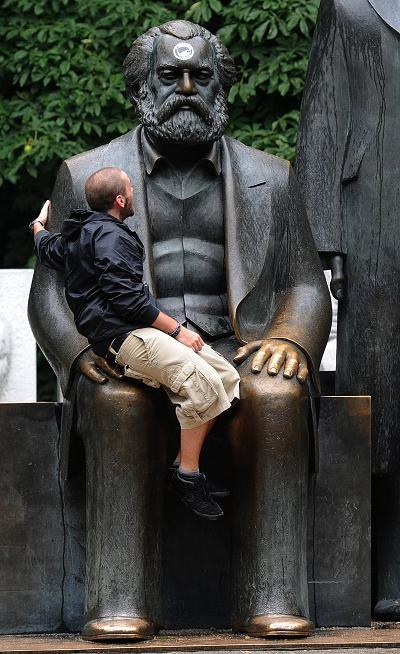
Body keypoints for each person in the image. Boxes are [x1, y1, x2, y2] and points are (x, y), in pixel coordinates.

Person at [29, 20, 331, 641]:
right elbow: (49, 291)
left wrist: (291, 340)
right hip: (131, 346)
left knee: (274, 396)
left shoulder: (273, 178)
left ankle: (270, 595)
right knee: (119, 401)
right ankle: (119, 599)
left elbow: (305, 284)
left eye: (201, 77)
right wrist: (80, 351)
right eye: (170, 76)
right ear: (142, 84)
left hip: (233, 343)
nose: (187, 88)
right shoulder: (86, 172)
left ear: (223, 85)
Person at [30, 167, 240, 521]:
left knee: (226, 375)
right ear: (120, 200)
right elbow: (129, 302)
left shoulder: (77, 235)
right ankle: (189, 476)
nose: (133, 189)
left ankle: (180, 464)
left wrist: (37, 224)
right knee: (200, 382)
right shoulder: (113, 238)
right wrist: (178, 331)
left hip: (136, 329)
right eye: (129, 186)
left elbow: (46, 247)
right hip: (123, 335)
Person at [296, 0, 400, 619]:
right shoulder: (349, 7)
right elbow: (322, 124)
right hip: (371, 220)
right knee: (381, 399)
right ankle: (384, 561)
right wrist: (328, 241)